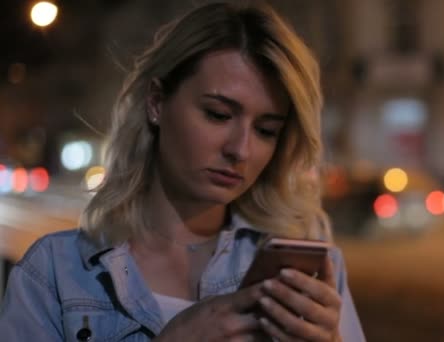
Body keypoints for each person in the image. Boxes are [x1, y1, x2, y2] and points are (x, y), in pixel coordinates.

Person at [0, 1, 366, 341]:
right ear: (157, 103)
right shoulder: (55, 273)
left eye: (266, 130)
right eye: (218, 114)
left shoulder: (305, 276)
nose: (240, 149)